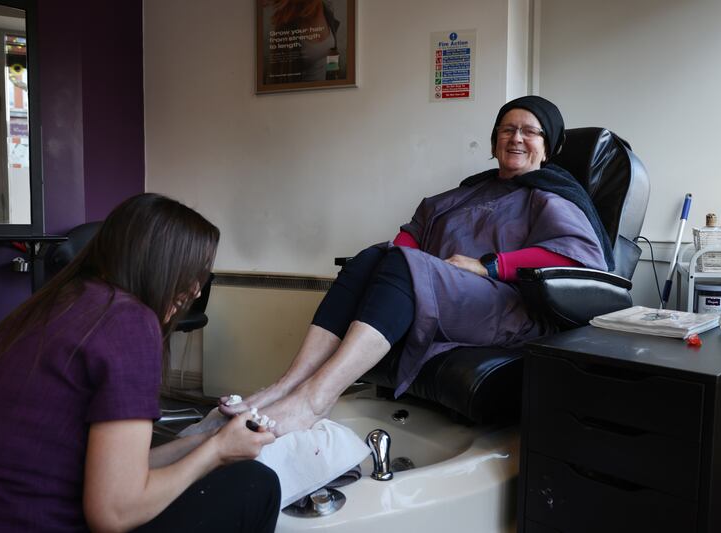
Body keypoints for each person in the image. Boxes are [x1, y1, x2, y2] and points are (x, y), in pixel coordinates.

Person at [220, 96, 614, 436]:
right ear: (494, 140)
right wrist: (393, 255)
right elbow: (410, 237)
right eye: (507, 129)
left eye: (530, 131)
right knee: (371, 257)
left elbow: (574, 255)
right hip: (444, 292)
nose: (516, 138)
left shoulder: (552, 196)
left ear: (548, 147)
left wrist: (489, 266)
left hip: (508, 307)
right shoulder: (462, 193)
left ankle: (317, 398)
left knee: (403, 263)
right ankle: (287, 385)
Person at [0, 193, 280, 532]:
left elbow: (114, 472)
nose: (195, 291)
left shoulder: (58, 303)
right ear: (159, 266)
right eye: (192, 275)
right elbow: (115, 511)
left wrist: (206, 441)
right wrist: (219, 452)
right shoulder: (127, 321)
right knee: (255, 485)